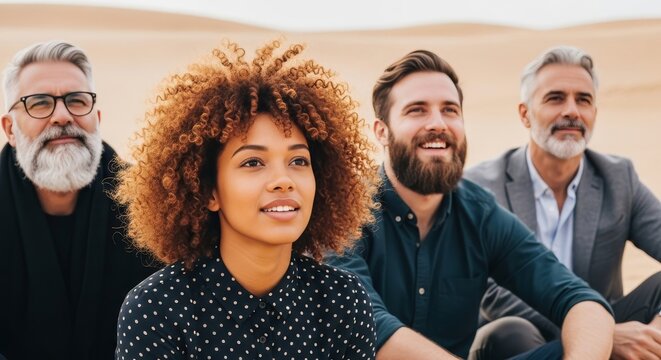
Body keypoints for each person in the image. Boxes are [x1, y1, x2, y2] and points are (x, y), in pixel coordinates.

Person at [325, 49, 616, 360]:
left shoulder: (479, 214)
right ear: (382, 132)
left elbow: (578, 299)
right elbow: (370, 328)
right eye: (417, 110)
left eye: (450, 110)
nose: (438, 124)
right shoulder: (345, 211)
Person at [113, 40, 378, 359]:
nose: (283, 181)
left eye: (298, 161)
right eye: (253, 162)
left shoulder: (343, 301)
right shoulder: (157, 310)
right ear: (209, 190)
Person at [465, 45, 661, 359]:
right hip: (519, 337)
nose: (571, 111)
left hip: (606, 322)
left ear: (594, 113)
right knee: (510, 332)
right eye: (555, 98)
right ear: (525, 114)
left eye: (583, 100)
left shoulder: (618, 178)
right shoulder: (481, 185)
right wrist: (601, 334)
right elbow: (489, 291)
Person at [0, 41, 157, 359]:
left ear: (96, 117)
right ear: (10, 129)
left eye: (76, 100)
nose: (62, 116)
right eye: (40, 103)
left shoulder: (151, 206)